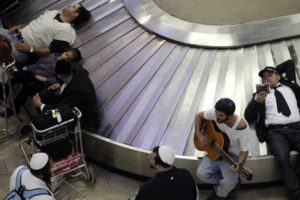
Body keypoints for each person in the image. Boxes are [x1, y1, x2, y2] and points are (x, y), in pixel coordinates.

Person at [244, 60, 300, 200]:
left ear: (278, 76)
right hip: (276, 133)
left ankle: (297, 176)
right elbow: (248, 117)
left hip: (297, 128)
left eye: (270, 75)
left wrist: (276, 71)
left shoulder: (290, 86)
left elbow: (290, 63)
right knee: (283, 157)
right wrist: (257, 102)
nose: (267, 78)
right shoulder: (259, 95)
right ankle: (295, 193)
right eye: (264, 77)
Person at [0, 48, 82, 117]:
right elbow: (37, 64)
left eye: (68, 59)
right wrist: (27, 69)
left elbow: (55, 81)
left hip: (41, 82)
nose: (65, 57)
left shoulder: (62, 67)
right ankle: (2, 95)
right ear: (64, 52)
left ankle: (14, 108)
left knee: (30, 86)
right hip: (31, 73)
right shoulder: (52, 55)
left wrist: (40, 78)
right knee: (15, 76)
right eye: (66, 54)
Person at [195, 98, 250, 200]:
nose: (216, 117)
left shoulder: (241, 127)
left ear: (230, 116)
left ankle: (220, 193)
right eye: (216, 113)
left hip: (231, 156)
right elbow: (198, 115)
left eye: (220, 116)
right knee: (201, 174)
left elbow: (244, 150)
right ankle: (228, 183)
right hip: (215, 151)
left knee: (228, 183)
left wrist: (240, 164)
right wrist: (198, 134)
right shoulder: (216, 113)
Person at [0, 3, 91, 64]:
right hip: (14, 34)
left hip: (22, 50)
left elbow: (49, 52)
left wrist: (30, 49)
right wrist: (19, 26)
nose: (70, 5)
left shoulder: (67, 32)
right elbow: (37, 24)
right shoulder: (54, 12)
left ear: (75, 14)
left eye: (73, 6)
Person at [32, 60, 99, 132]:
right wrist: (59, 84)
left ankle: (45, 124)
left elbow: (58, 110)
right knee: (43, 97)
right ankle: (41, 119)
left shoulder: (76, 91)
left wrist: (40, 105)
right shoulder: (78, 71)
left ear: (59, 76)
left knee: (53, 113)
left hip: (85, 120)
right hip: (71, 102)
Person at [132, 145, 198, 200]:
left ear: (159, 165)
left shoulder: (148, 187)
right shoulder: (186, 173)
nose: (148, 158)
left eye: (151, 158)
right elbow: (196, 193)